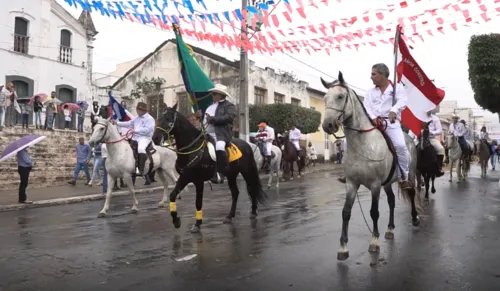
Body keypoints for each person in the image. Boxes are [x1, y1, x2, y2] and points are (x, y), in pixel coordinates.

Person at [364, 63, 411, 190]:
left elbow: (403, 101)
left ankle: (403, 177)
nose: (371, 77)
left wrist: (394, 110)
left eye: (374, 74)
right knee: (348, 141)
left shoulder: (397, 88)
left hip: (391, 124)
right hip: (373, 124)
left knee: (401, 146)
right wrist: (373, 118)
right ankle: (350, 172)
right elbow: (367, 106)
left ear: (383, 74)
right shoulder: (370, 92)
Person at [196, 83, 237, 183]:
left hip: (221, 134)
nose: (212, 95)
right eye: (212, 94)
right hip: (207, 134)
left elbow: (229, 117)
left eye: (214, 94)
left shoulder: (229, 106)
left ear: (220, 95)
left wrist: (214, 119)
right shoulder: (210, 107)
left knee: (219, 146)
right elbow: (205, 121)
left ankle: (221, 173)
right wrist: (199, 117)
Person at [111, 102, 155, 176]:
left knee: (141, 149)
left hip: (145, 138)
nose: (138, 111)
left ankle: (141, 169)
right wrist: (117, 123)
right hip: (135, 138)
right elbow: (128, 123)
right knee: (127, 149)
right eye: (137, 109)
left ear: (144, 111)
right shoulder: (136, 118)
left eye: (139, 110)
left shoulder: (150, 119)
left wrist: (135, 130)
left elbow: (148, 130)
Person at [427, 109, 445, 176]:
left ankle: (439, 168)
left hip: (431, 139)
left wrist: (432, 132)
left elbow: (439, 130)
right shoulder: (419, 116)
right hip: (420, 138)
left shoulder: (435, 118)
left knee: (440, 149)